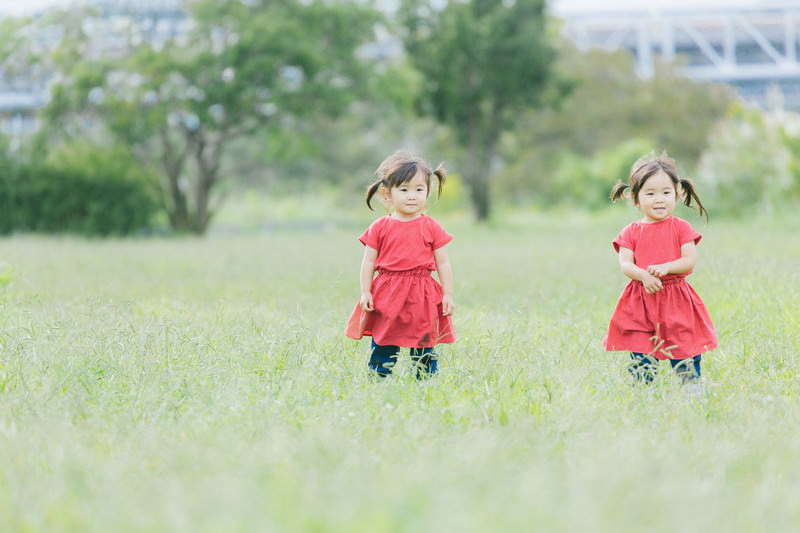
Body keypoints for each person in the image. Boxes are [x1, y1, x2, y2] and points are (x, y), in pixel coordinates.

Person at [602, 152, 717, 388]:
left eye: (666, 192)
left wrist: (666, 268)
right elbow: (625, 264)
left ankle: (691, 388)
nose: (659, 199)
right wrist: (643, 276)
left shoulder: (681, 227)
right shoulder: (631, 231)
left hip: (676, 301)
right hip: (642, 301)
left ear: (677, 193)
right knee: (642, 351)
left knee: (684, 346)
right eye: (650, 193)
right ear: (635, 198)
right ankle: (644, 392)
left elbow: (689, 261)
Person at [345, 151, 456, 378]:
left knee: (424, 341)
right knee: (385, 338)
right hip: (388, 292)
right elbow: (368, 262)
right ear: (387, 193)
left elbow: (443, 263)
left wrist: (448, 294)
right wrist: (365, 291)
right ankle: (378, 376)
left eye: (419, 189)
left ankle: (425, 380)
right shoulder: (379, 227)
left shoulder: (432, 227)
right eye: (404, 189)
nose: (412, 196)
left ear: (427, 191)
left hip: (422, 292)